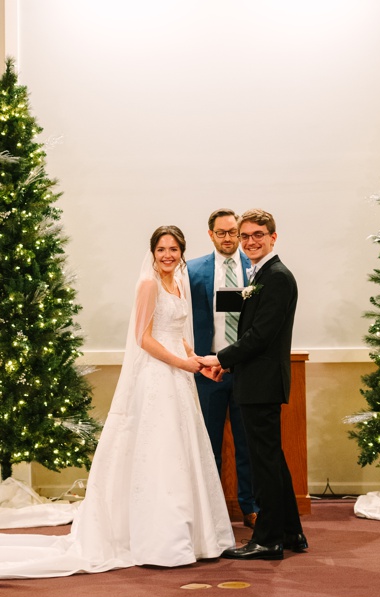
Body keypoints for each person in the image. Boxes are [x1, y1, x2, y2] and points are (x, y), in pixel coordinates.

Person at [0, 226, 234, 578]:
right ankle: (160, 539)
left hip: (180, 376)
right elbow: (143, 338)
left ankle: (194, 535)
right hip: (157, 377)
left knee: (183, 449)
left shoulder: (180, 283)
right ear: (152, 253)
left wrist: (199, 363)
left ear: (182, 252)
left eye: (173, 249)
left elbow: (178, 337)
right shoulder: (148, 285)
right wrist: (183, 364)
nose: (167, 255)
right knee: (159, 449)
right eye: (161, 249)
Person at [198, 209, 305, 561]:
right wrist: (231, 366)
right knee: (271, 459)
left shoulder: (277, 277)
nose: (249, 242)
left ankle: (268, 540)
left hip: (262, 382)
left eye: (258, 235)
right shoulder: (263, 273)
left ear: (274, 237)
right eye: (245, 236)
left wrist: (220, 359)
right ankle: (291, 532)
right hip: (254, 378)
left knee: (263, 462)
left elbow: (260, 336)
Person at [188, 208, 259, 528]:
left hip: (245, 369)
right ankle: (212, 512)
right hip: (206, 371)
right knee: (208, 445)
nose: (229, 238)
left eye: (234, 232)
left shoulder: (257, 268)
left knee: (248, 444)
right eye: (222, 232)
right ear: (211, 234)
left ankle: (251, 507)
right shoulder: (193, 271)